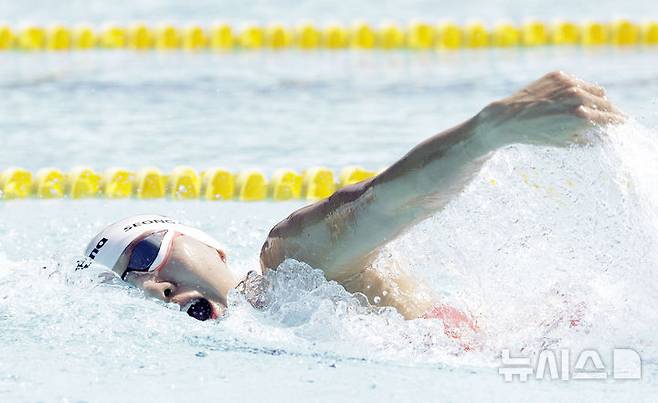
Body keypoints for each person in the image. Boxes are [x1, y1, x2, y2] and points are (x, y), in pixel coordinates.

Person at [82, 71, 623, 339]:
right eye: (122, 283)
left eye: (145, 254)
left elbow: (376, 204)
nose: (148, 284)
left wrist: (490, 129)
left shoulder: (291, 271)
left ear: (215, 252)